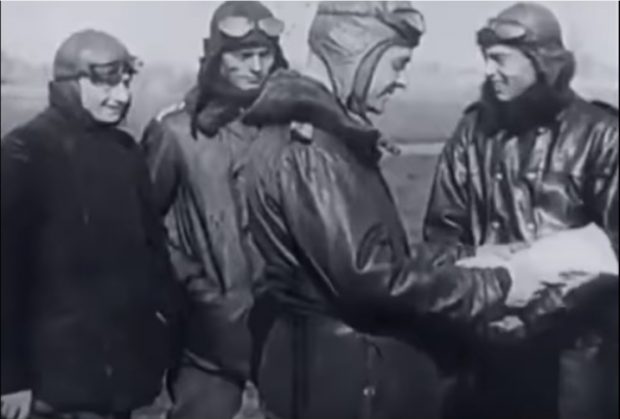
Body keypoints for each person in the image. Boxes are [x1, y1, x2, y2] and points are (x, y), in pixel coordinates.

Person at [238, 2, 547, 418]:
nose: (400, 81)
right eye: (397, 64)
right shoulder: (315, 153)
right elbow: (371, 282)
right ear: (356, 51)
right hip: (348, 382)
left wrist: (468, 262)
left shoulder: (304, 137)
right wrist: (497, 285)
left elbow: (365, 263)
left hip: (321, 369)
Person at [423, 3, 619, 418]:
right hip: (481, 355)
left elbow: (613, 255)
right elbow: (440, 236)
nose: (490, 71)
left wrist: (531, 317)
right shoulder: (473, 133)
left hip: (575, 364)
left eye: (500, 59)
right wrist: (479, 280)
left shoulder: (602, 135)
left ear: (542, 61)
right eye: (486, 59)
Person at [1, 30, 180, 419]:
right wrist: (10, 378)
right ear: (68, 84)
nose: (122, 97)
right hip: (52, 386)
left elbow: (154, 253)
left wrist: (165, 331)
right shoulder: (24, 151)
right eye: (106, 84)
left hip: (119, 380)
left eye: (127, 83)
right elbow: (6, 274)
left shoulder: (126, 152)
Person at [140, 2, 288, 418]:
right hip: (203, 335)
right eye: (243, 56)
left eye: (266, 55)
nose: (257, 67)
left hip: (282, 321)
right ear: (216, 58)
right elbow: (144, 228)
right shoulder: (176, 133)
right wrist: (197, 289)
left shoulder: (290, 128)